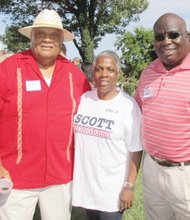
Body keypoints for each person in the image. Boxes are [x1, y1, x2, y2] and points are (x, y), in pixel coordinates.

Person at [0, 9, 91, 220]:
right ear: (31, 37)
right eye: (41, 34)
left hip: (60, 177)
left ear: (61, 40)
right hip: (14, 176)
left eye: (54, 35)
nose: (47, 40)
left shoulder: (74, 75)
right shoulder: (8, 69)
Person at [72, 50, 143, 220]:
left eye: (110, 70)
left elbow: (136, 149)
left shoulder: (128, 106)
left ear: (117, 73)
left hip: (112, 191)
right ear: (93, 72)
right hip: (87, 188)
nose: (104, 74)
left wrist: (129, 186)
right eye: (99, 69)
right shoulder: (84, 100)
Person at [134, 13, 190, 220]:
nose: (166, 42)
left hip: (185, 173)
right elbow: (136, 112)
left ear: (187, 36)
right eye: (159, 37)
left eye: (173, 35)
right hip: (152, 169)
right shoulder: (148, 73)